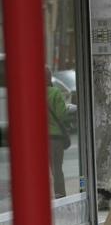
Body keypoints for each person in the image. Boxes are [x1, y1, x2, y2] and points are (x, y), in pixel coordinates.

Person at [46, 67, 69, 198]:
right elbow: (61, 114)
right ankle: (59, 194)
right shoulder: (55, 92)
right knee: (57, 169)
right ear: (49, 78)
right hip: (55, 137)